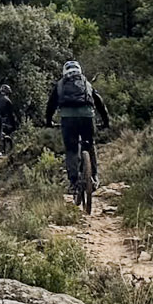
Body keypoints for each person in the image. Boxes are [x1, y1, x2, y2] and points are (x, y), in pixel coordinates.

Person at [45, 60, 110, 200]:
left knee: (71, 149)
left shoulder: (60, 84)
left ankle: (73, 182)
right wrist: (106, 121)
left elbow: (51, 105)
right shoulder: (86, 83)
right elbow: (100, 103)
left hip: (68, 120)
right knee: (90, 145)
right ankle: (94, 176)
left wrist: (48, 121)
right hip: (87, 117)